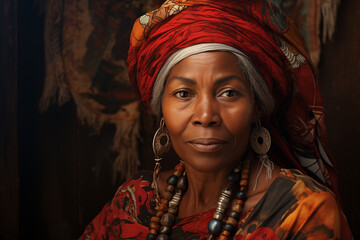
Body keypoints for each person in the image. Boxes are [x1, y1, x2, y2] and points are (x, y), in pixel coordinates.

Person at [80, 0, 353, 239]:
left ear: (257, 105)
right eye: (184, 93)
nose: (206, 116)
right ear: (161, 107)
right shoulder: (132, 203)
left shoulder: (301, 211)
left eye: (229, 93)